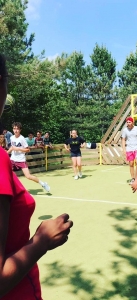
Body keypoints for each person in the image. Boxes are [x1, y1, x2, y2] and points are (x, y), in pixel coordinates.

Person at [0, 54, 73, 299]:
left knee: (28, 177)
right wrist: (41, 241)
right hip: (18, 292)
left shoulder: (14, 143)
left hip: (16, 161)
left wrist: (15, 150)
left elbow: (25, 148)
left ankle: (41, 182)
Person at [7, 122, 51, 193]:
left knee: (28, 176)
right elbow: (12, 147)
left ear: (20, 130)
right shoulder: (12, 137)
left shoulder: (22, 139)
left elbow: (27, 149)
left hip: (21, 160)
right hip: (12, 159)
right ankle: (10, 189)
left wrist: (18, 149)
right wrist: (6, 153)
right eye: (14, 128)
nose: (16, 130)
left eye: (17, 129)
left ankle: (43, 184)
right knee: (7, 173)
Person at [121, 116, 137, 185]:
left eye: (129, 122)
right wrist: (124, 149)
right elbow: (123, 140)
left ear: (132, 122)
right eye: (127, 122)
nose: (128, 123)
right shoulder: (125, 130)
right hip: (129, 148)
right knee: (131, 164)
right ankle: (133, 179)